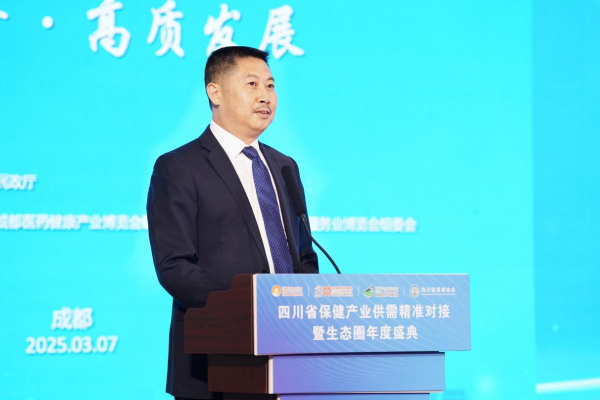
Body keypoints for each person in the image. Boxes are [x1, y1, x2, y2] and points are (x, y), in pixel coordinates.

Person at [147, 46, 319, 400]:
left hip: (288, 358)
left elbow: (304, 255)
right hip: (215, 362)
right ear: (215, 92)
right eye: (252, 84)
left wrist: (303, 311)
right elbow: (174, 265)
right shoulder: (179, 167)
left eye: (270, 86)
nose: (265, 96)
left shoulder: (284, 166)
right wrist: (250, 314)